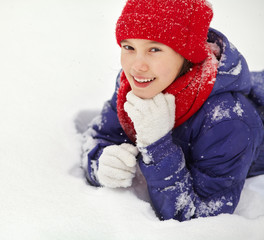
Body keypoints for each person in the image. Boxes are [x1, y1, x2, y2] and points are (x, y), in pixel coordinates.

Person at [81, 0, 264, 221]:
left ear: (187, 55)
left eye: (154, 49)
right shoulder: (135, 84)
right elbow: (98, 136)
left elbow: (201, 218)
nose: (136, 66)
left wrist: (158, 146)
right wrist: (100, 163)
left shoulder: (227, 120)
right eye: (129, 47)